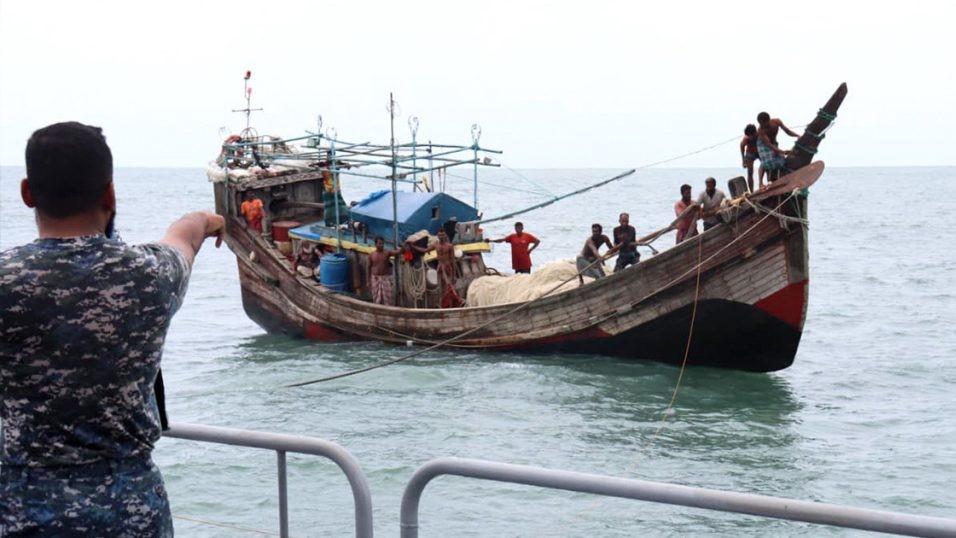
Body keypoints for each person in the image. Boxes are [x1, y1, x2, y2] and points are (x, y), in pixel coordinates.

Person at [0, 122, 225, 536]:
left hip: (23, 510)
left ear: (27, 193)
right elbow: (183, 238)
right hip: (132, 511)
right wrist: (205, 218)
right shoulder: (149, 275)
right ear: (110, 194)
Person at [756, 112, 798, 183]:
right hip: (763, 144)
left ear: (768, 120)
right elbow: (768, 144)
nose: (761, 125)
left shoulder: (776, 121)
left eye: (763, 123)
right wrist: (783, 151)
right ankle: (760, 182)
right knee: (765, 162)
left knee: (781, 159)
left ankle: (778, 177)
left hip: (774, 143)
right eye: (760, 123)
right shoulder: (760, 130)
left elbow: (787, 131)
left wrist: (798, 136)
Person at [368, 236, 402, 305]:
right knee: (376, 298)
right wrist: (368, 281)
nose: (381, 245)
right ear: (375, 244)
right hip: (375, 278)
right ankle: (377, 311)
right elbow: (368, 267)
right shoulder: (371, 255)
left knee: (389, 298)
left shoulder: (387, 253)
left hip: (385, 278)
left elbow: (397, 252)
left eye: (382, 244)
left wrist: (404, 247)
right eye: (380, 243)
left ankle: (389, 310)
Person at [739, 124, 760, 191]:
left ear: (755, 132)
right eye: (748, 136)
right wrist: (743, 160)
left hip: (760, 152)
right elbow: (742, 147)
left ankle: (762, 183)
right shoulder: (746, 139)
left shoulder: (760, 135)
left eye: (751, 135)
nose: (750, 137)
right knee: (750, 172)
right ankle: (752, 191)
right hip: (750, 153)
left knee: (766, 166)